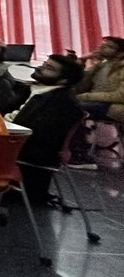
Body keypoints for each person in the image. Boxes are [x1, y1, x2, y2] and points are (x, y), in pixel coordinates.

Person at [15, 55, 86, 204]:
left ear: (63, 81)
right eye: (44, 64)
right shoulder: (34, 90)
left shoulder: (63, 103)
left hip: (29, 154)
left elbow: (35, 132)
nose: (40, 68)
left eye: (49, 68)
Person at [73, 35, 124, 124]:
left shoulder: (122, 67)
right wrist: (82, 60)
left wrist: (86, 96)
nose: (102, 46)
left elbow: (121, 96)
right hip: (96, 102)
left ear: (120, 54)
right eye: (103, 44)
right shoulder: (101, 65)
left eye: (109, 46)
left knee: (70, 107)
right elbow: (79, 88)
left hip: (113, 106)